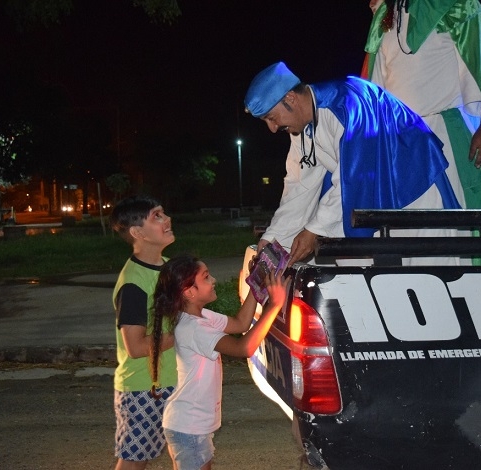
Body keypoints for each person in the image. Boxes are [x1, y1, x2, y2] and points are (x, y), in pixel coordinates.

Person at [362, 0, 481, 265]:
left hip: (441, 138)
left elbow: (480, 70)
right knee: (402, 232)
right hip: (400, 146)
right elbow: (376, 90)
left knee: (443, 232)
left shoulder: (453, 5)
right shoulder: (385, 17)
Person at [244, 61, 463, 266]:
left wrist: (314, 230)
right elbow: (299, 189)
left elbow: (354, 179)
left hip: (415, 189)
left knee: (429, 274)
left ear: (290, 98)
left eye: (271, 117)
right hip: (381, 197)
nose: (272, 128)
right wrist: (274, 238)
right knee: (388, 279)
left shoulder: (348, 104)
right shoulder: (301, 131)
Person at [150, 254, 290, 470]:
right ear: (189, 292)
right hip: (189, 426)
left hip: (191, 425)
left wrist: (256, 284)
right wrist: (274, 305)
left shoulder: (201, 317)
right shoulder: (194, 328)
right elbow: (244, 348)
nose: (213, 280)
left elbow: (240, 323)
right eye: (206, 277)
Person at [110, 195, 177, 470]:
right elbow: (136, 347)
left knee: (185, 452)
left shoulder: (169, 267)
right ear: (138, 233)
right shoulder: (133, 284)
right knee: (134, 462)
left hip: (172, 380)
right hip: (143, 389)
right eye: (157, 216)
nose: (167, 219)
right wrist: (184, 335)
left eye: (164, 213)